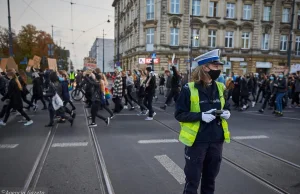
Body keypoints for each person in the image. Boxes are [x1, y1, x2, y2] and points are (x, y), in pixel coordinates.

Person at [175, 49, 230, 194]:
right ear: (205, 67)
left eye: (219, 66)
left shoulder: (220, 87)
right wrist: (201, 116)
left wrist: (226, 112)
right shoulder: (189, 89)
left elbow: (225, 106)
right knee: (192, 181)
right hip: (197, 142)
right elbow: (179, 114)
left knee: (210, 180)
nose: (218, 69)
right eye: (215, 66)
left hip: (216, 140)